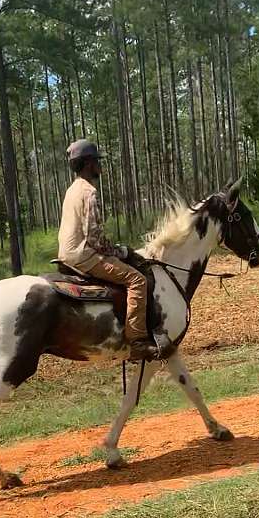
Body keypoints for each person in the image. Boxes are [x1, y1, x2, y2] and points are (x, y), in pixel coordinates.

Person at [58, 139, 160, 362]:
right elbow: (94, 237)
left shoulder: (71, 190)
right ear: (87, 163)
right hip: (85, 255)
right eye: (96, 161)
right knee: (137, 280)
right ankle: (138, 342)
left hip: (66, 253)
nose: (99, 165)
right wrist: (120, 251)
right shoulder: (89, 192)